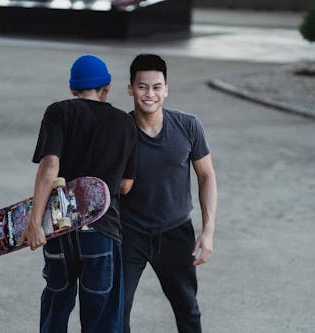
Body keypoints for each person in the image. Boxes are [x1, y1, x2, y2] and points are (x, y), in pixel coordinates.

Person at [22, 54, 137, 333]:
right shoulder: (125, 123)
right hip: (101, 230)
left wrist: (34, 224)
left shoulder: (58, 111)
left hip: (57, 229)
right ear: (107, 86)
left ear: (73, 89)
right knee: (101, 315)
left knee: (56, 302)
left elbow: (50, 168)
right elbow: (125, 185)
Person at [120, 54, 217, 333]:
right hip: (129, 233)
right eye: (142, 86)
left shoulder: (188, 126)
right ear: (130, 88)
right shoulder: (118, 130)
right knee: (117, 310)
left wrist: (208, 231)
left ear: (166, 89)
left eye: (156, 86)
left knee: (188, 309)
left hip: (175, 232)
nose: (149, 94)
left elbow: (206, 176)